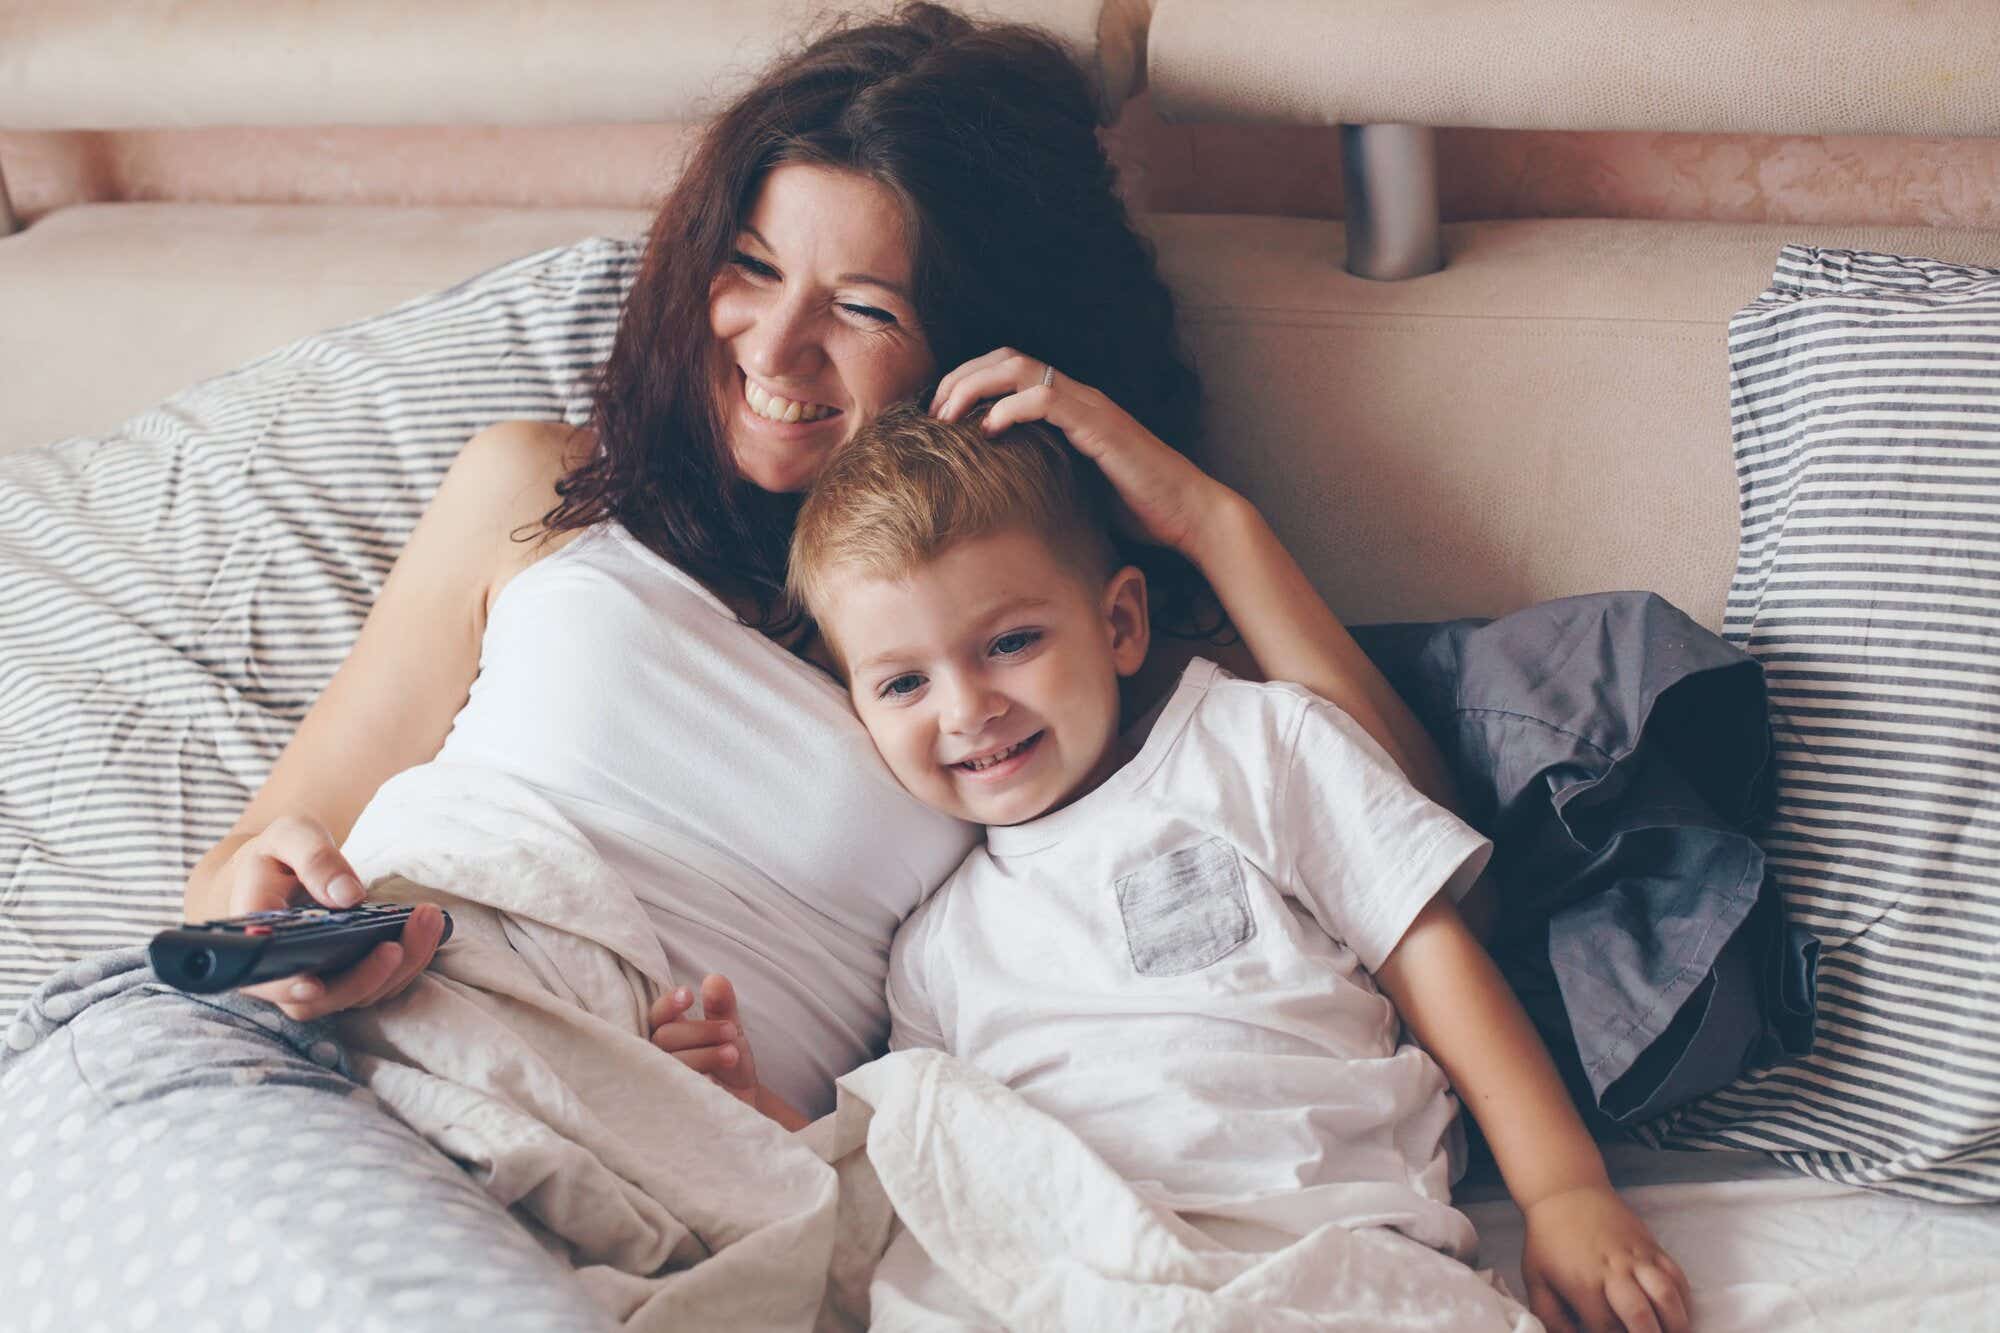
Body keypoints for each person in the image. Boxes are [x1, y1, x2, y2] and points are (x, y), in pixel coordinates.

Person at [4, 3, 1462, 1325]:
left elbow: (1383, 824)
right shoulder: (538, 487)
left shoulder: (1026, 652)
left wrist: (1204, 516)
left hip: (658, 1195)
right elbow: (246, 861)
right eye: (750, 268)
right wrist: (278, 900)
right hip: (324, 1060)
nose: (779, 344)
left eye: (866, 308)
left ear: (976, 342)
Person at [654, 404, 1694, 1333]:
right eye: (902, 683)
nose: (966, 709)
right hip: (1068, 1271)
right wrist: (762, 1111)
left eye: (1010, 641)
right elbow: (927, 1172)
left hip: (1314, 1250)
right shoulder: (933, 941)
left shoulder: (1253, 745)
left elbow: (1432, 954)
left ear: (1117, 622)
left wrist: (1561, 1192)